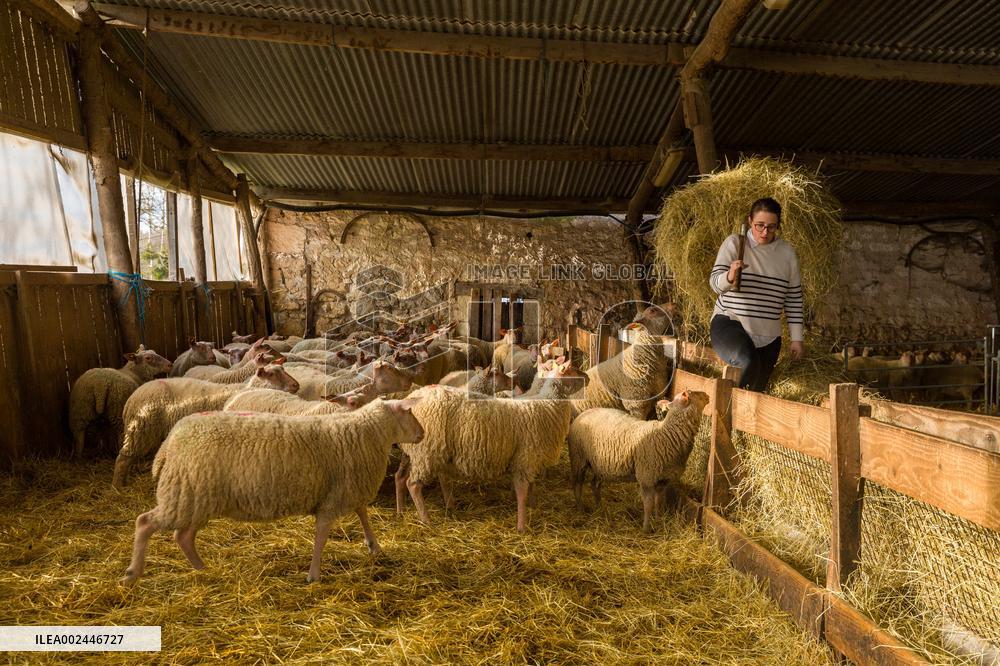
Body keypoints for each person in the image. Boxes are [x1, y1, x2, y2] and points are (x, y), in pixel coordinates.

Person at [709, 197, 804, 392]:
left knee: (757, 390)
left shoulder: (787, 253)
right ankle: (724, 410)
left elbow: (794, 299)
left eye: (771, 227)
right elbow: (715, 284)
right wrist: (730, 275)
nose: (765, 232)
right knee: (747, 362)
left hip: (769, 336)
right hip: (731, 323)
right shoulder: (735, 244)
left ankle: (741, 421)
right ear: (750, 221)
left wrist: (796, 339)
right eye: (759, 225)